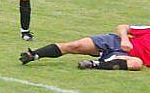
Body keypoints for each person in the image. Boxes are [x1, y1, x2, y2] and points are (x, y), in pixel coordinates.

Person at [20, 24, 150, 71]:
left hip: (128, 57)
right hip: (115, 42)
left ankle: (93, 64)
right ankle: (33, 55)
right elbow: (123, 27)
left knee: (136, 64)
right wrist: (125, 39)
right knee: (74, 45)